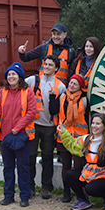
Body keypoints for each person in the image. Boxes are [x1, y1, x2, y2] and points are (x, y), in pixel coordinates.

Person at [0, 62, 36, 207]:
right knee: (8, 167)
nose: (11, 76)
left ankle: (24, 196)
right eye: (9, 74)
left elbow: (31, 113)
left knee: (23, 167)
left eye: (13, 74)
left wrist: (17, 127)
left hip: (23, 136)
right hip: (5, 136)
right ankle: (8, 195)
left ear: (19, 76)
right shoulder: (2, 92)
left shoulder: (28, 92)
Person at [59, 112, 105, 210]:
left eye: (98, 124)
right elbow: (72, 145)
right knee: (69, 175)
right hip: (90, 176)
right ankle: (83, 200)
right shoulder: (85, 139)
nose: (94, 126)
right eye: (93, 123)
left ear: (104, 126)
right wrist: (63, 132)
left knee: (90, 189)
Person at [26, 55, 66, 199]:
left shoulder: (60, 86)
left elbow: (60, 109)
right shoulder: (32, 80)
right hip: (32, 124)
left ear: (56, 68)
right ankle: (29, 187)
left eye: (50, 65)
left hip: (49, 126)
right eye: (45, 64)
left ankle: (46, 187)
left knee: (47, 156)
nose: (47, 66)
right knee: (30, 156)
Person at [51, 73, 90, 203]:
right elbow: (53, 110)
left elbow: (88, 119)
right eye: (71, 83)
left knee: (79, 165)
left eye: (75, 84)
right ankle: (66, 191)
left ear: (80, 87)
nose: (72, 85)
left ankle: (79, 190)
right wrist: (52, 97)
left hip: (79, 139)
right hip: (64, 137)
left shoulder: (84, 99)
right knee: (66, 165)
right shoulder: (62, 96)